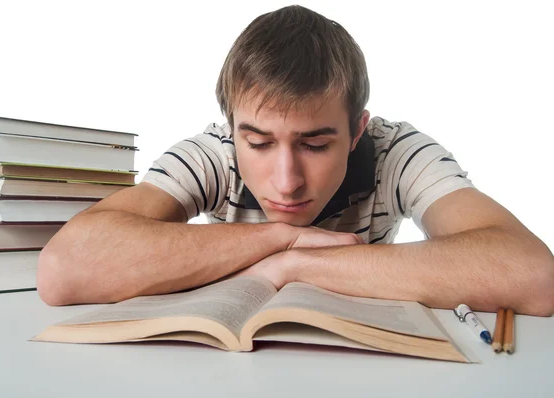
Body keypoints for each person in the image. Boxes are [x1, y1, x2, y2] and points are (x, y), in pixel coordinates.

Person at [36, 5, 554, 316]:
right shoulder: (213, 152)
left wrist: (296, 265)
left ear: (356, 131)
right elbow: (64, 269)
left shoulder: (396, 151)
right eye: (258, 144)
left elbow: (532, 274)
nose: (286, 182)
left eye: (314, 144)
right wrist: (279, 238)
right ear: (233, 128)